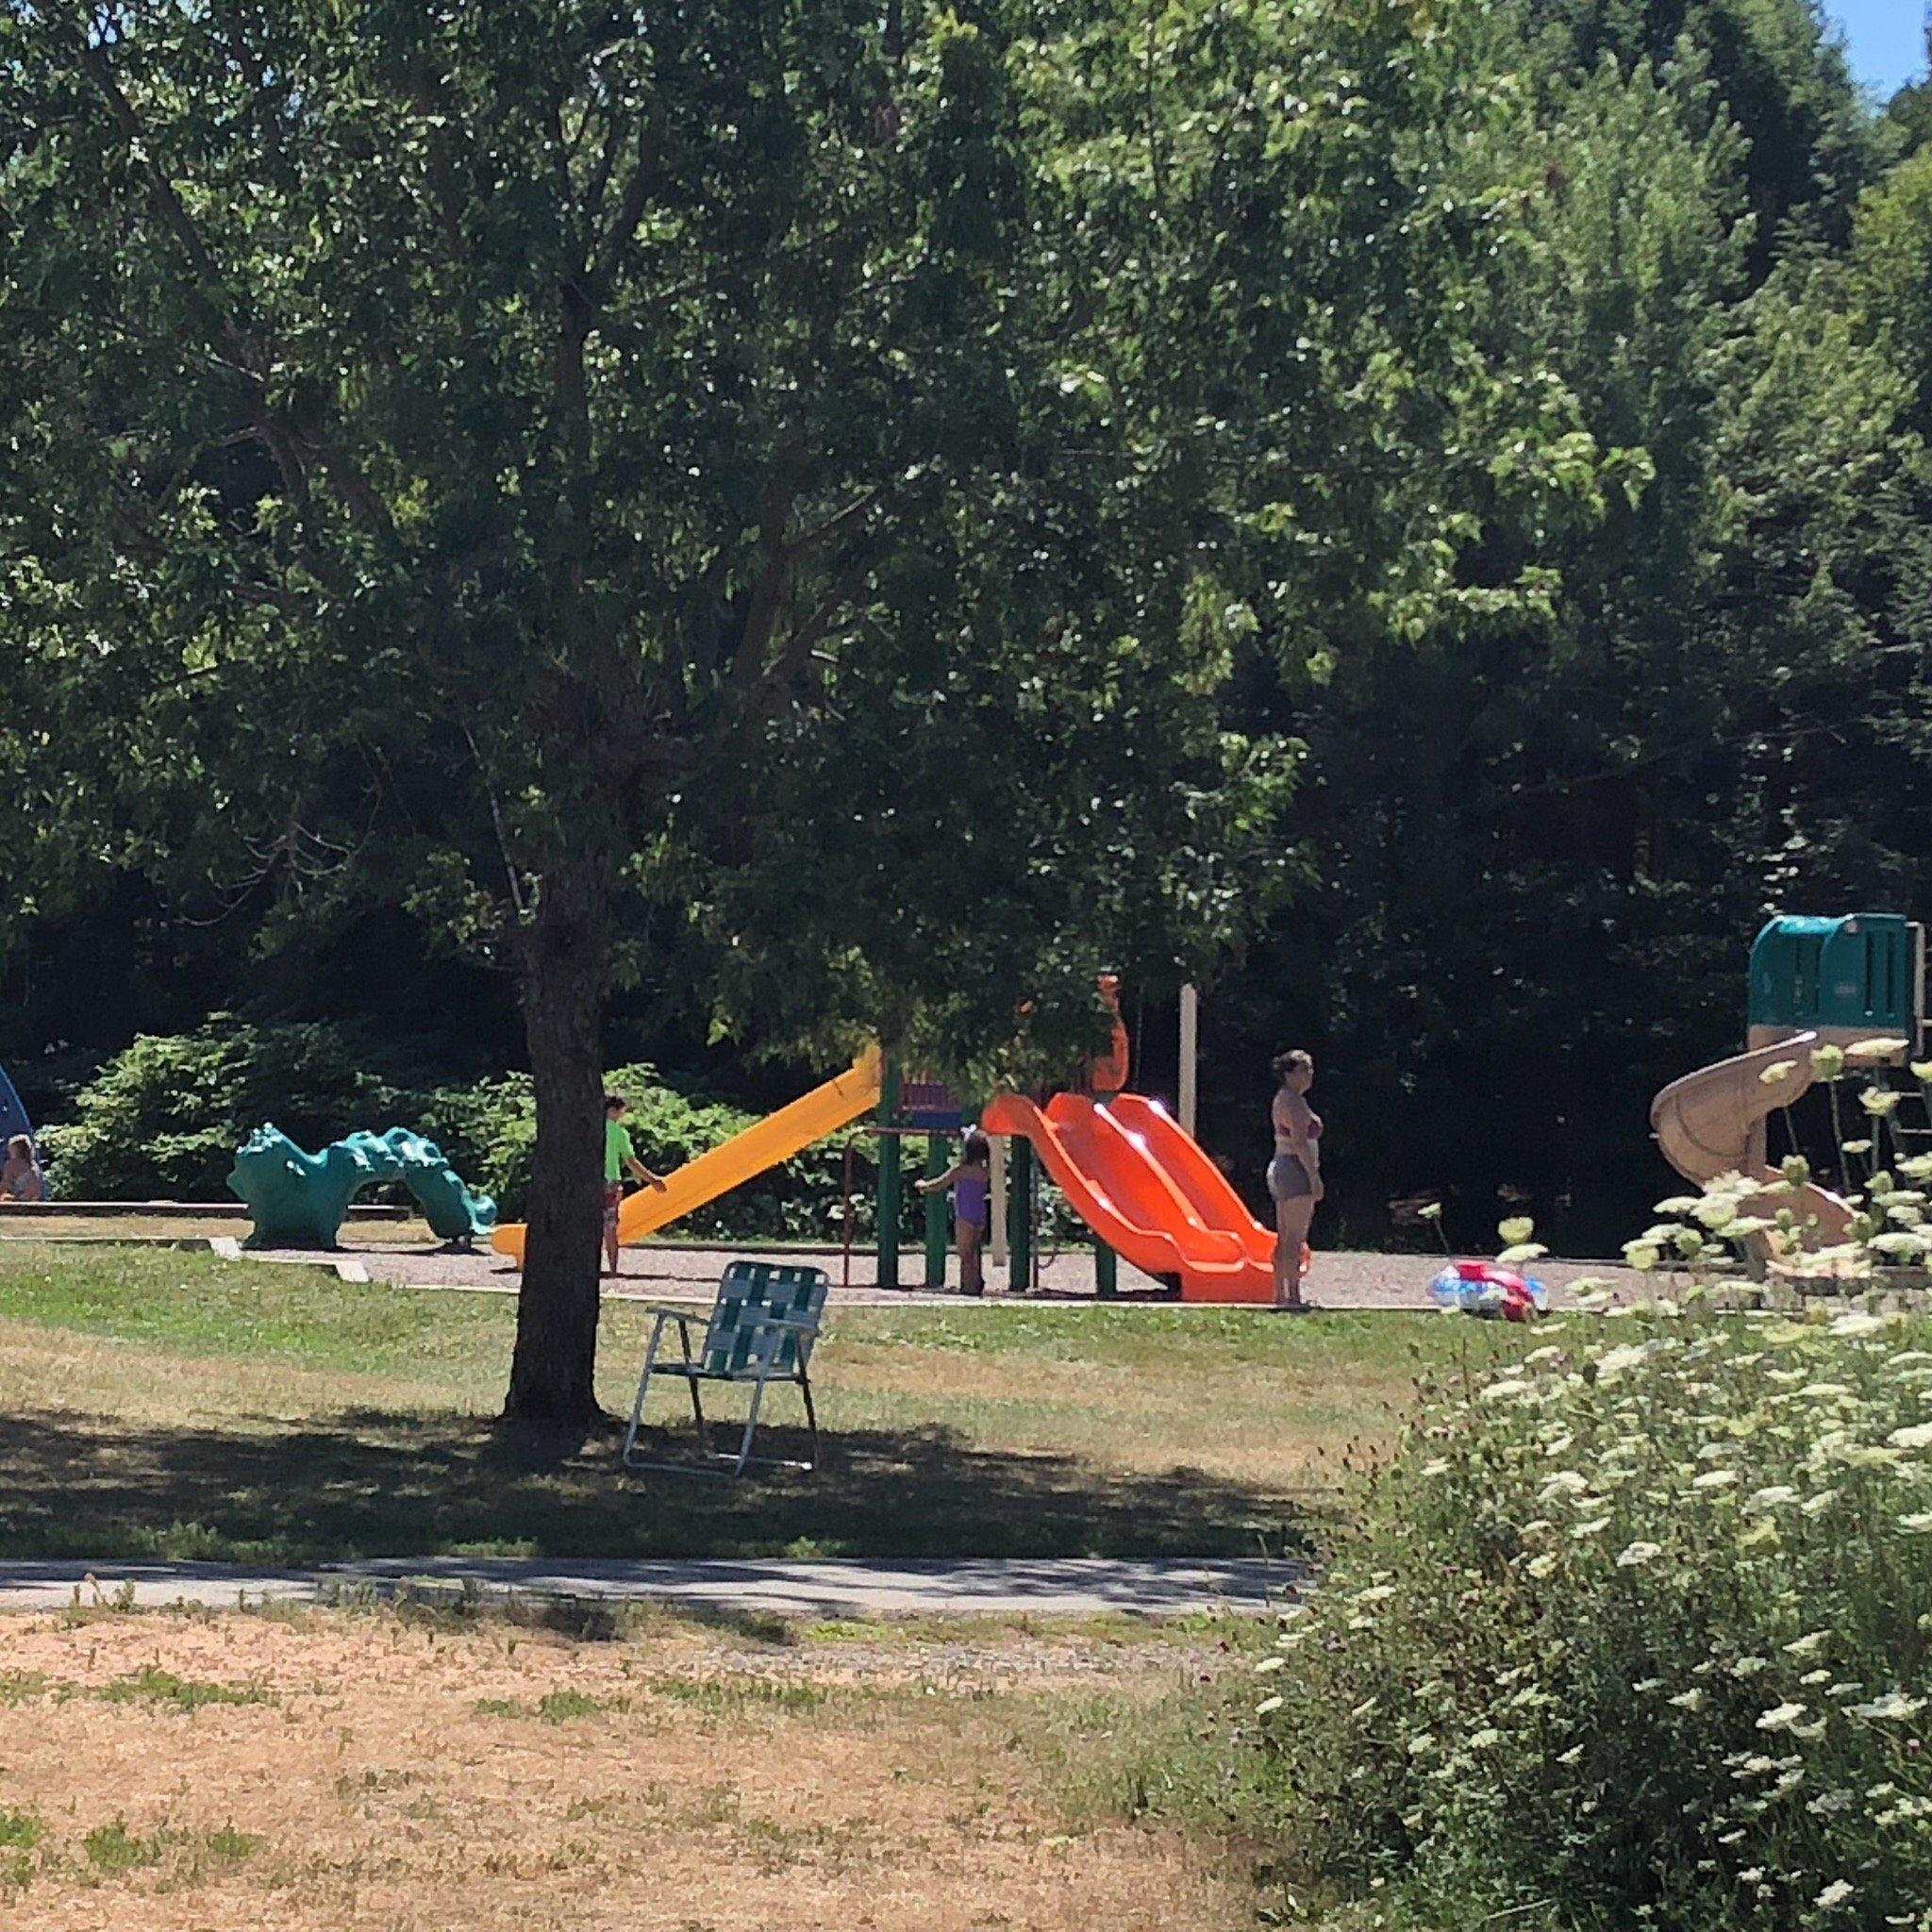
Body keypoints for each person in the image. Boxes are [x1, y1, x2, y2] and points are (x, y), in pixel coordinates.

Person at [1267, 1050, 1323, 1310]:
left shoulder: (1282, 1099)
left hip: (1281, 1167)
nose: (1310, 1075)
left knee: (1284, 1236)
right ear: (1289, 1074)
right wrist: (1314, 1177)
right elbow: (1300, 1142)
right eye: (1304, 1069)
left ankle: (1279, 1293)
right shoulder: (1294, 1102)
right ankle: (1293, 1296)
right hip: (1295, 1168)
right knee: (1294, 1238)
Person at [916, 1129, 993, 1296]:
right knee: (974, 1250)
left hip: (964, 1214)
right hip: (980, 1213)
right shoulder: (985, 1172)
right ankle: (976, 1280)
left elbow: (939, 1183)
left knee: (964, 1253)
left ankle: (968, 1286)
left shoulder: (960, 1170)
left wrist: (923, 1185)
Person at [603, 1093, 667, 1277]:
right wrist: (652, 1179)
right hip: (611, 1181)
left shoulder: (589, 1129)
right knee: (610, 1227)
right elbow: (631, 1162)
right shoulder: (618, 1132)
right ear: (613, 1110)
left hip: (590, 1182)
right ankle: (613, 1268)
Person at [0, 1135, 46, 1204]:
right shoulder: (35, 1166)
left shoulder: (12, 1165)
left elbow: (3, 1187)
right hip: (36, 1201)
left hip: (21, 1201)